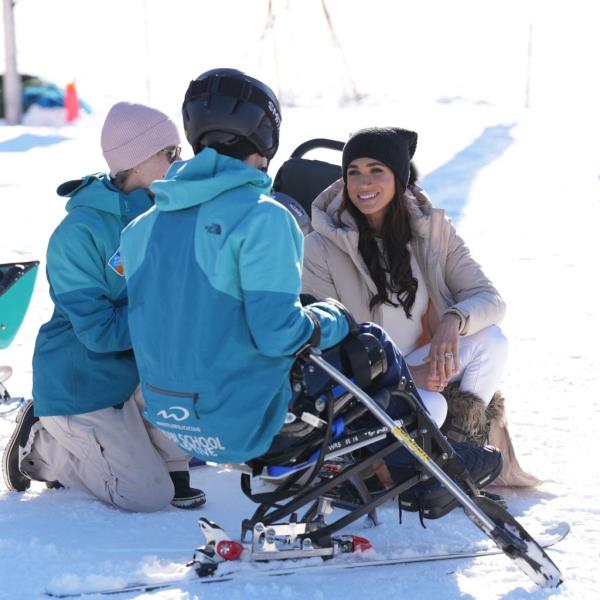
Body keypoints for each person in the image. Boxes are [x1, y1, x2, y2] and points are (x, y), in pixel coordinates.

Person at [118, 69, 501, 498]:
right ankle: (415, 472)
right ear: (265, 136)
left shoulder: (139, 229)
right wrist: (333, 318)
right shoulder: (264, 218)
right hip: (246, 425)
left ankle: (405, 462)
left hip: (176, 424)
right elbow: (278, 333)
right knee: (367, 343)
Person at [302, 126, 540, 487]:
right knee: (434, 406)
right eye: (354, 172)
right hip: (363, 381)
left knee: (492, 341)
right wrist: (405, 376)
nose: (363, 183)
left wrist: (452, 320)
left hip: (419, 360)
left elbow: (489, 299)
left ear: (399, 178)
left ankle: (463, 454)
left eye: (376, 170)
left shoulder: (434, 232)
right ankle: (386, 468)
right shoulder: (319, 246)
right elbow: (323, 342)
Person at [2, 102, 206, 511]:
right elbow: (98, 331)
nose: (179, 162)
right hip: (83, 383)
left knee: (192, 363)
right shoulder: (78, 233)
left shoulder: (167, 212)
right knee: (145, 496)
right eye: (170, 153)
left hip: (137, 372)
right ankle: (43, 444)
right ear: (137, 158)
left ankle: (169, 462)